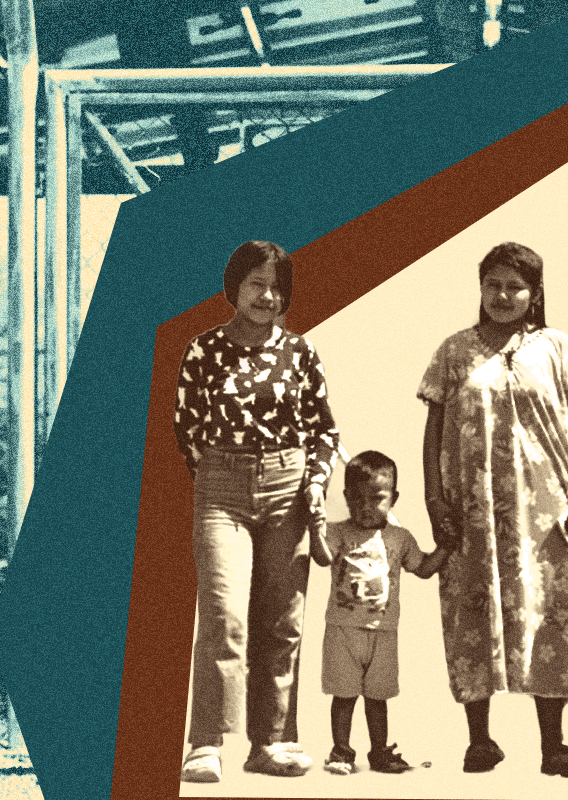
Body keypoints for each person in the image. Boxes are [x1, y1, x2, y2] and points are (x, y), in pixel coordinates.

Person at [418, 242, 568, 778]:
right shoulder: (454, 351)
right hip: (471, 510)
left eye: (515, 286)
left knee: (550, 616)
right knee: (471, 610)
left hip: (548, 512)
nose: (502, 295)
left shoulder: (558, 347)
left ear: (535, 294)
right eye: (493, 284)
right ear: (480, 288)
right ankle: (480, 740)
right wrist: (434, 497)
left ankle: (554, 745)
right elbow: (433, 428)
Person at [176, 240, 340, 783]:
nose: (267, 296)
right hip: (222, 490)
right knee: (224, 615)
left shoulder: (301, 352)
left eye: (276, 286)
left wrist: (314, 486)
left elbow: (324, 433)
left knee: (283, 620)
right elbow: (187, 427)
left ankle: (271, 741)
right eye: (255, 284)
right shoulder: (202, 350)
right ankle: (206, 743)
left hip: (290, 491)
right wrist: (224, 470)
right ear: (235, 287)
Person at [309, 450, 451, 775]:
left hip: (384, 632)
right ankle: (341, 752)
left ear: (393, 498)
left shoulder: (399, 538)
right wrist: (315, 527)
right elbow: (321, 557)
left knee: (378, 697)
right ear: (345, 497)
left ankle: (380, 752)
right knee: (343, 696)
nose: (366, 507)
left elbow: (425, 568)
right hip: (342, 630)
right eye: (357, 499)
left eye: (376, 498)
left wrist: (447, 546)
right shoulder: (338, 531)